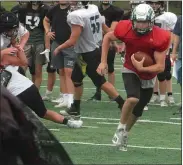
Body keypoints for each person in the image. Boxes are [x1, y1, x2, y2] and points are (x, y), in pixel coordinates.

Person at [97, 4, 170, 151]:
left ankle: (125, 133)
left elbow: (160, 66)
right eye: (138, 21)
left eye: (144, 22)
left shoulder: (160, 36)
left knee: (138, 110)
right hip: (130, 68)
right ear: (133, 20)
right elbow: (107, 37)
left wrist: (143, 68)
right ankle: (120, 127)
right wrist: (103, 61)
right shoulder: (125, 28)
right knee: (133, 98)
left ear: (151, 21)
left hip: (149, 74)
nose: (141, 25)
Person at [0, 11, 83, 129]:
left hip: (22, 89)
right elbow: (23, 62)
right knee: (42, 113)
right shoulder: (6, 57)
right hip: (25, 87)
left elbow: (24, 62)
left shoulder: (6, 59)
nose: (12, 32)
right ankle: (69, 122)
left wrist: (19, 47)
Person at [54, 1, 125, 118]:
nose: (71, 4)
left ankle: (122, 104)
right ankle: (75, 108)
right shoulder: (93, 8)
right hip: (93, 49)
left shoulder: (76, 15)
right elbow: (105, 28)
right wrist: (113, 41)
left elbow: (72, 40)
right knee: (76, 79)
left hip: (87, 53)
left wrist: (59, 48)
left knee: (100, 82)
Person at [43, 1, 77, 109]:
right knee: (61, 71)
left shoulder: (74, 9)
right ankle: (65, 97)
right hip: (57, 43)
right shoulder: (54, 9)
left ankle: (71, 100)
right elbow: (46, 20)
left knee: (69, 72)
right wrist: (48, 31)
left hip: (70, 45)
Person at [89, 0, 124, 101]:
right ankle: (98, 92)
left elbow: (112, 30)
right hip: (95, 42)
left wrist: (113, 42)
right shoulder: (95, 10)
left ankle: (112, 94)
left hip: (108, 42)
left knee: (110, 67)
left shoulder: (116, 11)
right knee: (98, 68)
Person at [147, 1, 176, 107]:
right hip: (150, 48)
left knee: (166, 73)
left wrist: (168, 48)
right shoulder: (146, 15)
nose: (154, 6)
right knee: (153, 73)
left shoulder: (168, 17)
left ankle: (169, 94)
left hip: (163, 47)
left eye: (157, 3)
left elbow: (171, 34)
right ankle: (155, 94)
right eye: (152, 3)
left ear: (161, 4)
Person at [18, 1, 50, 88]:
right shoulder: (24, 9)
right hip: (26, 42)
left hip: (39, 43)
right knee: (21, 70)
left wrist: (47, 47)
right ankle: (21, 91)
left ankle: (35, 95)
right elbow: (20, 27)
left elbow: (47, 29)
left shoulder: (45, 9)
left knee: (38, 71)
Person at [172, 15, 182, 115]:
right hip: (181, 54)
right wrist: (174, 52)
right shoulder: (180, 18)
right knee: (181, 80)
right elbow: (177, 36)